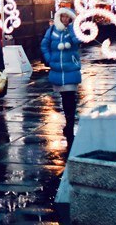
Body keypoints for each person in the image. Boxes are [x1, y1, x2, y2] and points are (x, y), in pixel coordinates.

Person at [40, 8, 82, 147]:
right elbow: (44, 45)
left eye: (67, 17)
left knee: (71, 96)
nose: (65, 19)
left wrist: (71, 30)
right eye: (63, 17)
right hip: (58, 70)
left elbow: (77, 42)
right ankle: (68, 120)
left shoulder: (73, 29)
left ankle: (70, 123)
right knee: (65, 97)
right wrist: (49, 59)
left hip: (71, 68)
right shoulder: (52, 30)